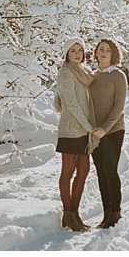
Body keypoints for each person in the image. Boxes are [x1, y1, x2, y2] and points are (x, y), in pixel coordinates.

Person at [53, 37, 100, 232]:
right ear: (66, 54)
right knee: (68, 172)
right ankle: (68, 214)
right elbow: (71, 104)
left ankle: (75, 214)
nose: (77, 54)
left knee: (83, 171)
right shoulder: (65, 73)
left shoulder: (84, 72)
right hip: (72, 129)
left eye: (79, 50)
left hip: (84, 129)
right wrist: (88, 126)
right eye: (72, 51)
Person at [89, 37, 128, 229]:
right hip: (94, 133)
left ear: (113, 54)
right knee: (100, 172)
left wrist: (105, 129)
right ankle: (106, 214)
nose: (103, 52)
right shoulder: (92, 76)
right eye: (100, 49)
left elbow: (119, 106)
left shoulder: (118, 76)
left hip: (113, 131)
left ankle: (116, 213)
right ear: (95, 53)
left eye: (107, 50)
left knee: (110, 171)